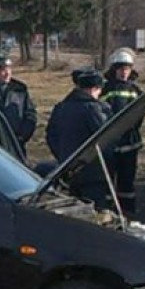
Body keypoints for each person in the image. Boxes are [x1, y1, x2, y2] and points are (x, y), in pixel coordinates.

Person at [46, 69, 115, 209]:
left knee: (75, 209)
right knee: (96, 210)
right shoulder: (94, 109)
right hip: (93, 171)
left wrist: (63, 156)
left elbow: (51, 136)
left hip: (68, 170)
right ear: (94, 89)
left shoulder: (61, 107)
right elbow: (106, 138)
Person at [101, 50, 143, 213]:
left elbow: (140, 113)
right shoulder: (107, 89)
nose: (124, 72)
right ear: (114, 69)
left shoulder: (135, 89)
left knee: (127, 180)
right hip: (110, 142)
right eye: (121, 69)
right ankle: (108, 210)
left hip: (129, 142)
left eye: (127, 69)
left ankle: (128, 210)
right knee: (108, 178)